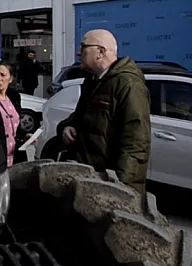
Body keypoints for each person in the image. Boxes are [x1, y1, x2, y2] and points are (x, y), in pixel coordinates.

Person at [55, 29, 151, 193]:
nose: (79, 52)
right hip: (88, 179)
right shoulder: (93, 81)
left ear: (100, 52)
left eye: (83, 46)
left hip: (108, 185)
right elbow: (80, 117)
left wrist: (121, 187)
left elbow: (136, 142)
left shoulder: (128, 84)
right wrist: (66, 127)